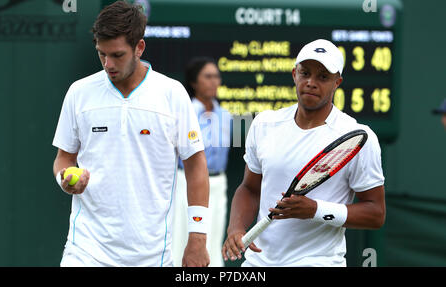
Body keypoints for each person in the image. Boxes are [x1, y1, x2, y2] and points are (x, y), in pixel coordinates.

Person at [52, 1, 210, 267]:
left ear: (139, 48)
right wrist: (64, 179)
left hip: (151, 257)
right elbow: (64, 159)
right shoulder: (79, 92)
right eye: (102, 54)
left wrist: (197, 238)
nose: (107, 64)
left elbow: (195, 166)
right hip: (85, 251)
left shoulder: (172, 94)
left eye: (117, 55)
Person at [222, 39, 386, 267]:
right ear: (294, 74)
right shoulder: (264, 124)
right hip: (257, 264)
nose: (311, 82)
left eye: (323, 77)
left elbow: (376, 213)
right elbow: (249, 188)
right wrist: (236, 227)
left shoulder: (358, 136)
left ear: (337, 82)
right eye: (305, 73)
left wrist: (316, 210)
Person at [172, 57, 232, 267]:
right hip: (186, 182)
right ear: (194, 82)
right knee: (181, 236)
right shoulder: (184, 112)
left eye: (216, 76)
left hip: (217, 183)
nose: (214, 81)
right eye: (207, 76)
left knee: (214, 238)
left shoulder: (226, 116)